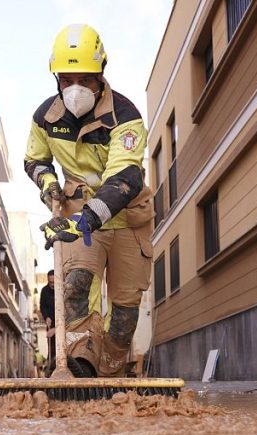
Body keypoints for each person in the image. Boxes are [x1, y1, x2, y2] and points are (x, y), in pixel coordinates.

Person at [26, 24, 154, 378]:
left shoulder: (125, 117)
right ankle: (81, 367)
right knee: (76, 286)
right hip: (78, 218)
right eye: (66, 81)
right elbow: (35, 160)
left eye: (85, 79)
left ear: (101, 76)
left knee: (126, 313)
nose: (75, 89)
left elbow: (125, 178)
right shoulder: (45, 118)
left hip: (126, 220)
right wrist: (49, 185)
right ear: (57, 81)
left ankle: (111, 373)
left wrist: (85, 219)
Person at [39, 270, 56, 375]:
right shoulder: (44, 291)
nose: (53, 285)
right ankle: (51, 371)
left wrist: (57, 328)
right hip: (50, 323)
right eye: (51, 282)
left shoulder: (63, 289)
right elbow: (43, 306)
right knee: (52, 348)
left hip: (62, 323)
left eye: (55, 282)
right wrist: (46, 317)